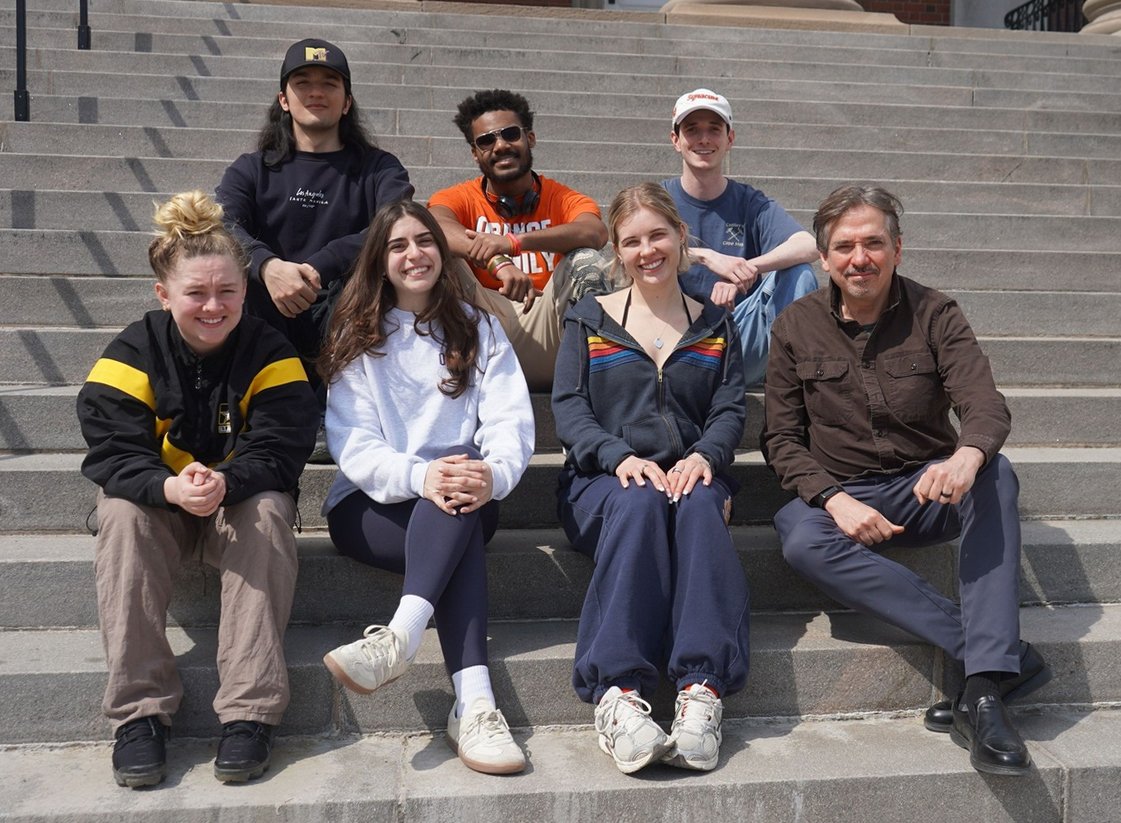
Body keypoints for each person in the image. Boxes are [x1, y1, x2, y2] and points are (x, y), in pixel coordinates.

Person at [761, 184, 1051, 777]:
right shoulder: (795, 326)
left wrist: (966, 456)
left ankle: (982, 689)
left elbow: (984, 404)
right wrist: (834, 499)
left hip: (928, 490)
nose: (859, 259)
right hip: (847, 495)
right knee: (799, 533)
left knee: (995, 473)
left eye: (873, 243)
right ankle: (999, 659)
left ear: (897, 248)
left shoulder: (935, 313)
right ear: (824, 258)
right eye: (845, 247)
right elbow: (780, 439)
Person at [77, 191, 319, 788]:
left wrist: (226, 481)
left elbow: (283, 448)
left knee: (268, 509)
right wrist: (168, 488)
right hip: (161, 510)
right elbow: (111, 451)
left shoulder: (271, 351)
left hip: (236, 506)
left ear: (245, 289)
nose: (214, 306)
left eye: (227, 291)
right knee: (121, 514)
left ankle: (249, 713)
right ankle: (139, 714)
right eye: (196, 293)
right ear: (164, 294)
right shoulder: (132, 351)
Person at [317, 201, 534, 775]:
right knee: (454, 508)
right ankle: (476, 706)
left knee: (460, 479)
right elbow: (353, 442)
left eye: (425, 241)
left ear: (442, 250)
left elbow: (510, 420)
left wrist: (494, 474)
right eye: (397, 246)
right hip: (370, 506)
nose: (414, 254)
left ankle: (399, 638)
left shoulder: (479, 326)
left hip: (468, 497)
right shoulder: (356, 335)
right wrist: (421, 476)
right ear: (379, 261)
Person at [552, 183, 750, 775]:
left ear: (681, 236)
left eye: (658, 235)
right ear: (616, 250)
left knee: (699, 502)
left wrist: (706, 456)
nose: (648, 251)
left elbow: (729, 409)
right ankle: (616, 694)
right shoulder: (589, 319)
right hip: (602, 484)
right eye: (632, 241)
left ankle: (702, 690)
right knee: (639, 501)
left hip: (688, 474)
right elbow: (570, 409)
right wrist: (617, 456)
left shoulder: (715, 322)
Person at [216, 38, 414, 459]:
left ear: (347, 102)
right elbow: (223, 224)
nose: (316, 92)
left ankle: (334, 411)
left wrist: (321, 265)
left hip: (345, 304)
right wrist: (268, 266)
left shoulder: (379, 168)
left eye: (329, 83)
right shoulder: (252, 169)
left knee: (365, 283)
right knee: (234, 274)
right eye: (303, 82)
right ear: (283, 100)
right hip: (268, 305)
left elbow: (396, 222)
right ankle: (260, 407)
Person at [428, 89, 613, 391]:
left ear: (530, 138)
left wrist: (514, 243)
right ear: (475, 153)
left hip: (548, 329)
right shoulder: (458, 197)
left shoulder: (562, 197)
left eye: (510, 134)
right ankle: (450, 382)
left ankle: (596, 389)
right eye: (486, 141)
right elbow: (433, 225)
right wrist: (498, 262)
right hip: (481, 327)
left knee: (587, 261)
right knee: (434, 254)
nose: (500, 145)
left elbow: (595, 232)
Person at [663, 88, 819, 387]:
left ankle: (791, 389)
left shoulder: (749, 202)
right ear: (676, 140)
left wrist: (745, 270)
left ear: (729, 139)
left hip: (737, 340)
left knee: (799, 274)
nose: (704, 139)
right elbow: (629, 254)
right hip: (672, 343)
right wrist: (706, 257)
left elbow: (809, 245)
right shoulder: (659, 200)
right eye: (692, 130)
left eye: (714, 129)